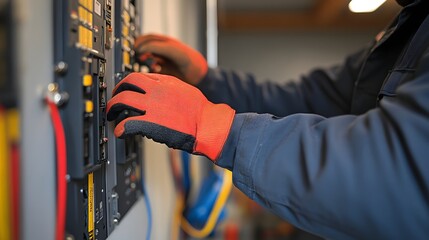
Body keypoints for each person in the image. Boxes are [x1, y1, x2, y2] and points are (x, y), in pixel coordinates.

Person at [107, 0, 429, 238]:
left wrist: (218, 129)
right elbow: (305, 100)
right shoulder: (412, 27)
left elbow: (398, 169)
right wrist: (206, 81)